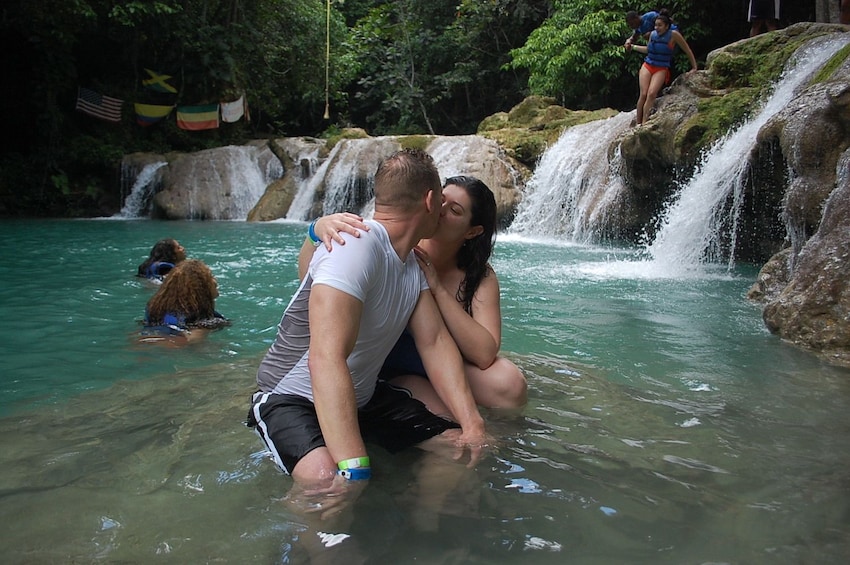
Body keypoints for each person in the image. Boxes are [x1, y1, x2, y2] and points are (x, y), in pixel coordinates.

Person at [247, 149, 488, 492]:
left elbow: (434, 342)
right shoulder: (354, 246)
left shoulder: (410, 264)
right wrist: (354, 466)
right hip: (288, 398)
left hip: (361, 398)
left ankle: (427, 528)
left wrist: (472, 424)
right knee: (328, 484)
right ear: (430, 200)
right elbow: (326, 357)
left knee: (458, 448)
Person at [305, 176, 527, 411]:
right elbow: (312, 278)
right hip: (381, 358)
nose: (440, 211)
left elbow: (484, 354)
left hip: (431, 361)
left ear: (473, 232)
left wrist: (438, 291)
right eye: (441, 201)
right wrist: (315, 230)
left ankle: (431, 393)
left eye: (455, 210)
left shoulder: (478, 275)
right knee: (446, 420)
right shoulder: (402, 243)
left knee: (510, 385)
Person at [626, 9, 698, 126]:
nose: (656, 28)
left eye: (659, 26)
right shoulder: (652, 34)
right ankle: (638, 123)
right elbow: (648, 49)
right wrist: (632, 46)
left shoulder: (674, 34)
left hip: (661, 67)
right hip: (648, 65)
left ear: (666, 26)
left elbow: (687, 50)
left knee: (651, 94)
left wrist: (694, 67)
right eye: (655, 26)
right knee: (643, 94)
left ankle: (644, 122)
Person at [140, 259, 229, 343]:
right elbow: (193, 342)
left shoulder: (155, 309)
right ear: (200, 287)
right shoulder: (199, 317)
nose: (215, 280)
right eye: (210, 276)